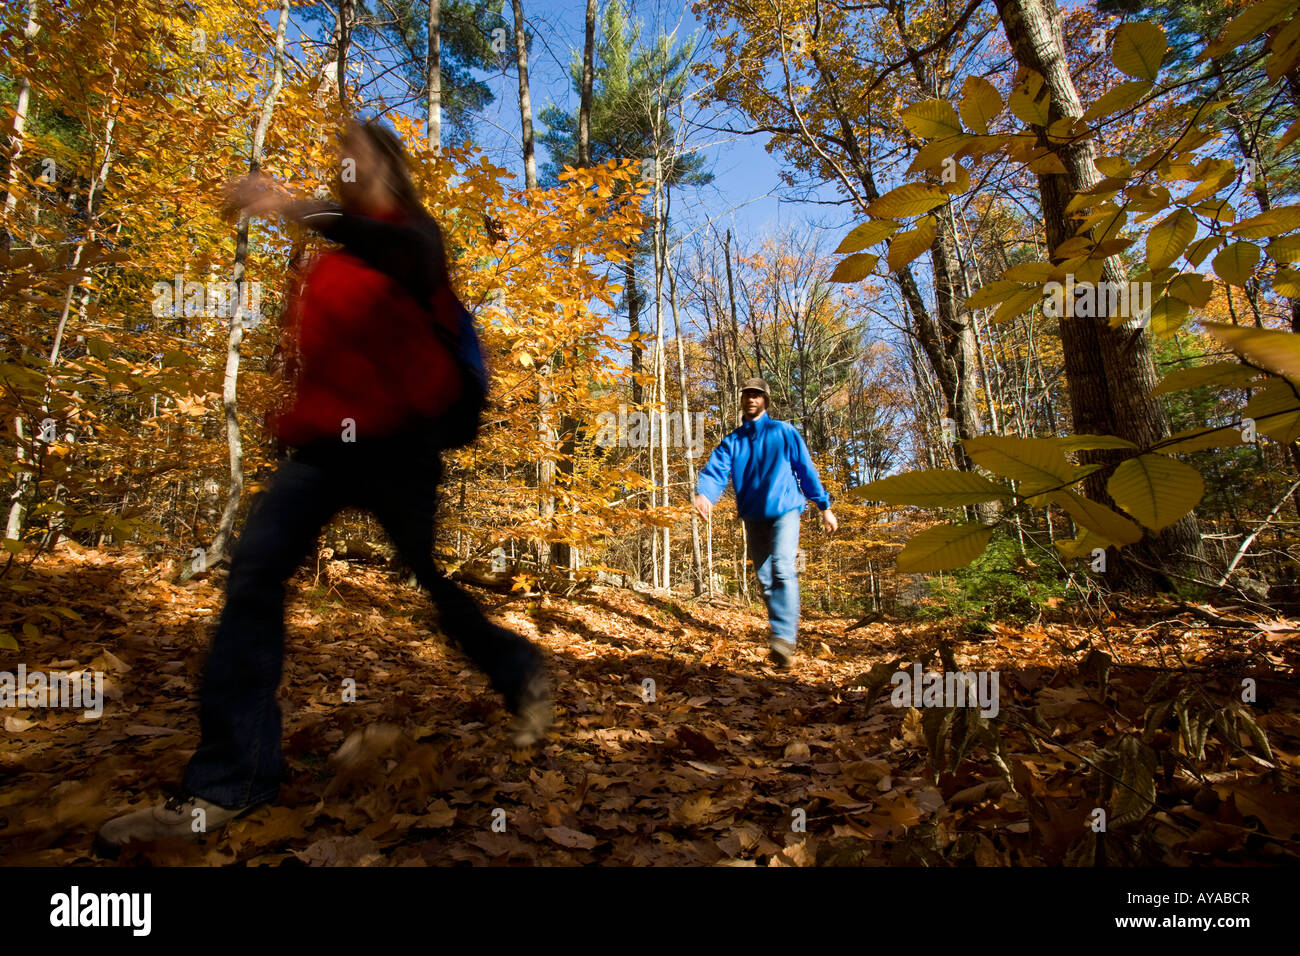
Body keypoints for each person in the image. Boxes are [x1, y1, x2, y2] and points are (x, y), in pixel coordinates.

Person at [96, 119, 550, 854]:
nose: (343, 164)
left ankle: (520, 668)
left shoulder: (414, 240)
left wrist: (286, 202)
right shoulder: (325, 266)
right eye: (337, 156)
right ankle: (230, 781)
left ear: (390, 169)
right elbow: (312, 363)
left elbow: (384, 249)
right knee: (253, 576)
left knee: (429, 581)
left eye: (358, 153)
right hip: (319, 451)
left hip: (401, 448)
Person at [693, 378, 837, 670]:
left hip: (785, 509)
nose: (751, 399)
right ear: (742, 400)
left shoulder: (784, 432)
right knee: (765, 578)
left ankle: (783, 639)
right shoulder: (733, 441)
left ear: (766, 401)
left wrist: (824, 506)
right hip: (753, 515)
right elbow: (715, 471)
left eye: (757, 395)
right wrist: (704, 494)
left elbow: (805, 469)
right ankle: (779, 639)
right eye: (746, 394)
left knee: (782, 567)